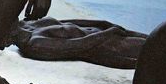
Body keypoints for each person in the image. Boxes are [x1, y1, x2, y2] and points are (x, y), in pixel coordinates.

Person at [10, 17, 150, 69]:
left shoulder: (27, 24)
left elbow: (69, 23)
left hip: (105, 33)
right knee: (159, 51)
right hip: (110, 47)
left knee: (159, 37)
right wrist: (110, 31)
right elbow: (81, 46)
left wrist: (103, 24)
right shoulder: (35, 45)